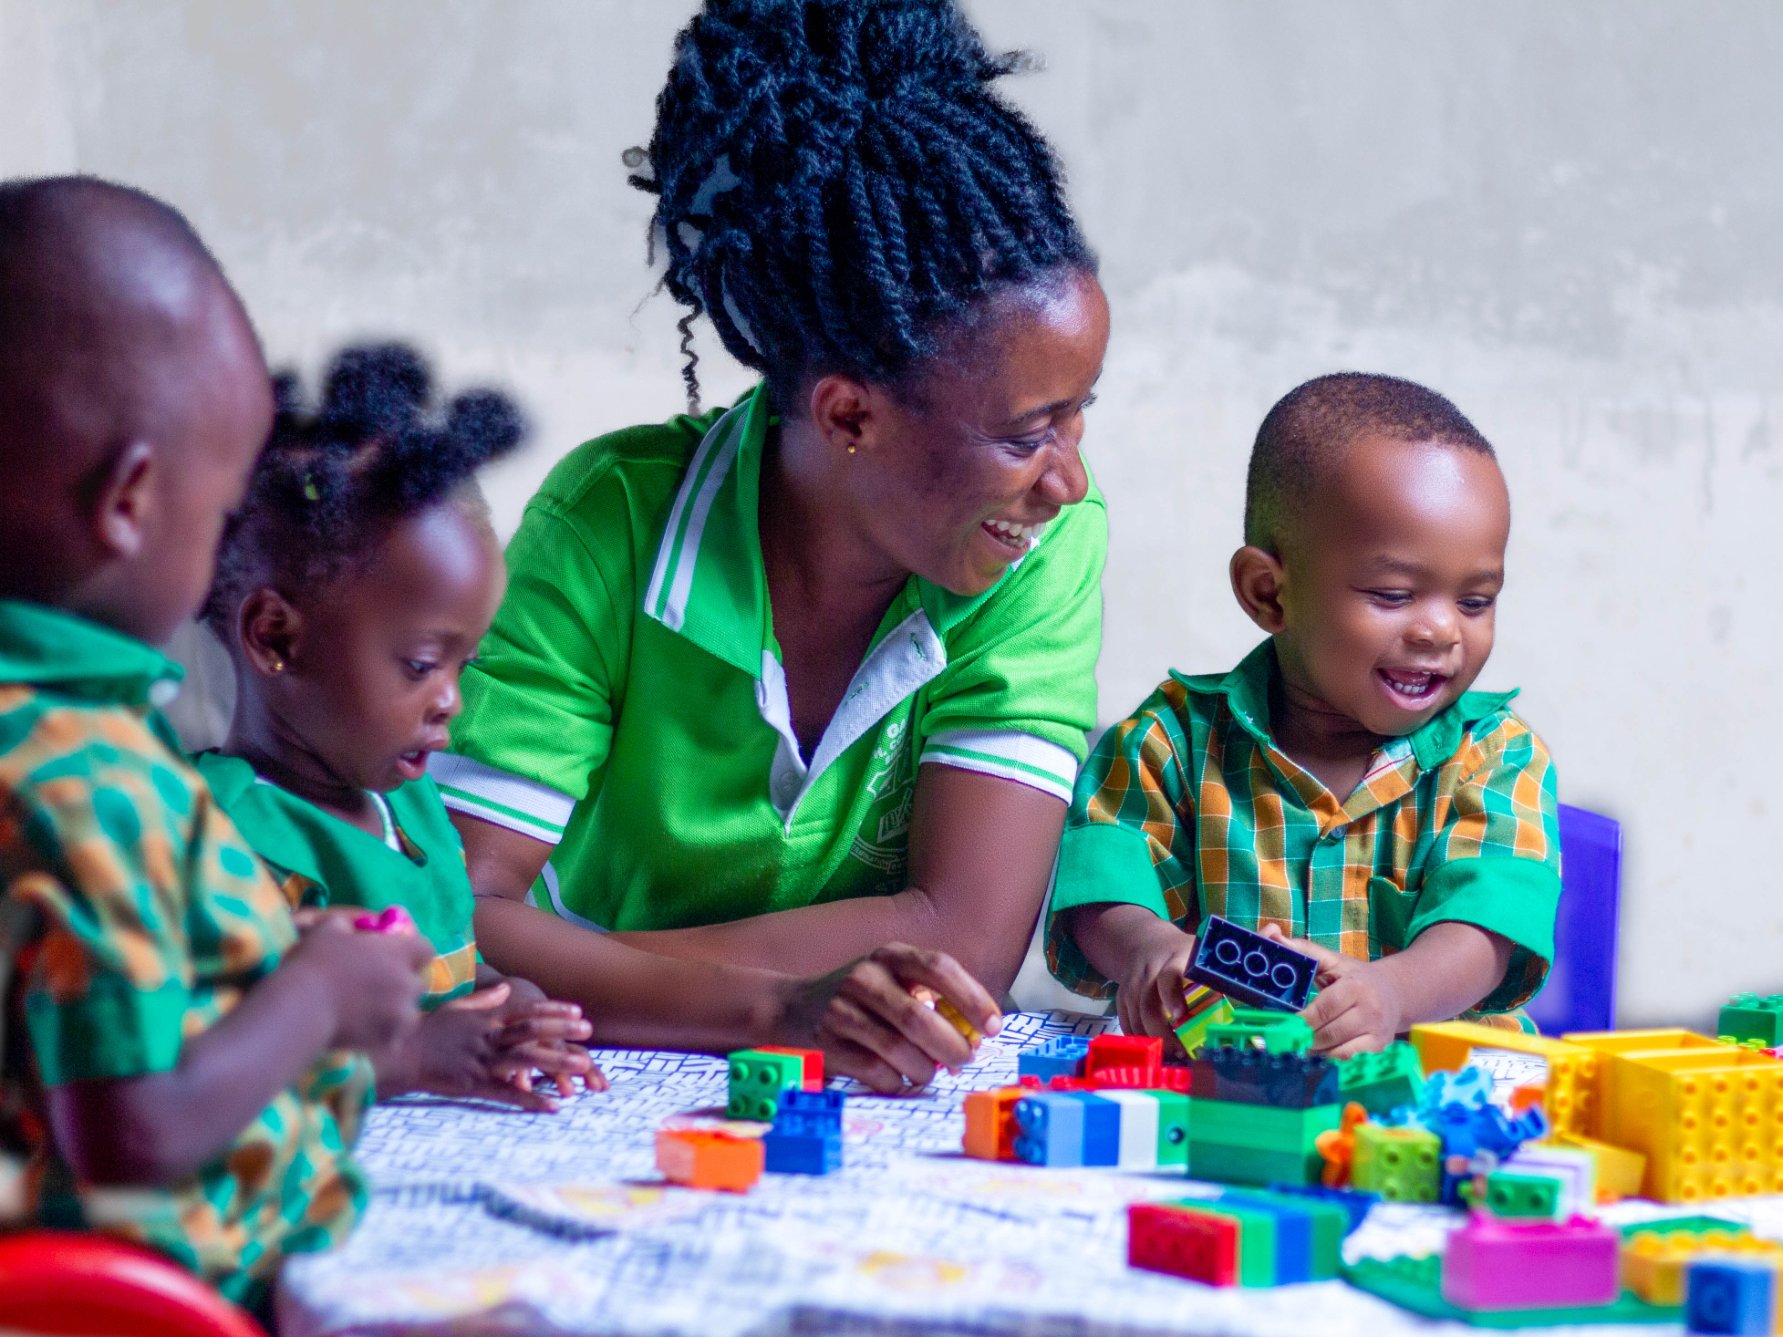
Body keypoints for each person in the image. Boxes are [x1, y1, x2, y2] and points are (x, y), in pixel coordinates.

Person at [430, 0, 1109, 1084]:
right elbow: (455, 918)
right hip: (557, 1075)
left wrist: (579, 968)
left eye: (1078, 416)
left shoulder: (1036, 550)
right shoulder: (610, 521)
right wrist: (780, 1004)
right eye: (1027, 433)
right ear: (848, 416)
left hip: (619, 1029)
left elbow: (966, 946)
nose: (1067, 481)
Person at [0, 176, 431, 1310]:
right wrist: (321, 994)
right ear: (132, 501)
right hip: (145, 1304)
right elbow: (130, 1125)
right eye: (221, 504)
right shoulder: (86, 775)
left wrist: (268, 952)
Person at [1047, 373, 1562, 1056]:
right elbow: (1100, 888)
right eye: (1393, 592)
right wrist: (1148, 945)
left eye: (1474, 601)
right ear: (1269, 593)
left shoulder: (1497, 755)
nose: (1441, 630)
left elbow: (1487, 930)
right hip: (1220, 1087)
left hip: (1431, 1096)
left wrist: (1392, 992)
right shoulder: (1168, 742)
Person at [194, 342, 603, 1112]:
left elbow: (450, 973)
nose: (450, 700)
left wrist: (507, 999)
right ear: (278, 639)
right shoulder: (222, 833)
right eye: (420, 665)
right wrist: (416, 1056)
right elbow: (209, 1057)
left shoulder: (411, 810)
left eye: (464, 665)